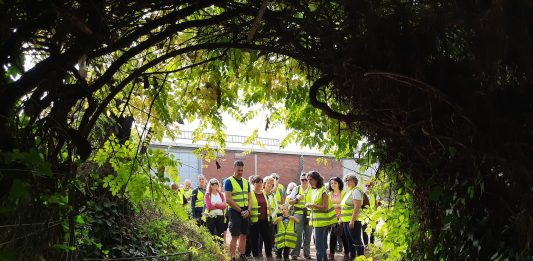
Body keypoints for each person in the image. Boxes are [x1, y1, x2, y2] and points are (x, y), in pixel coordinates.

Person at [305, 171, 336, 261]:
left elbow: (325, 208)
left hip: (322, 222)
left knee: (319, 245)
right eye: (308, 180)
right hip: (316, 221)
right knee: (321, 245)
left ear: (316, 180)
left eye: (310, 180)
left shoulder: (323, 190)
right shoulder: (313, 190)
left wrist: (313, 205)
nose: (309, 181)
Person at [224, 160, 252, 261]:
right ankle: (232, 257)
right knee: (235, 235)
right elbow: (228, 199)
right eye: (238, 170)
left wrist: (248, 210)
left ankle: (242, 254)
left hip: (246, 211)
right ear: (234, 168)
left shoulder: (246, 182)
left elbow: (250, 199)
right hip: (235, 211)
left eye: (242, 170)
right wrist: (241, 211)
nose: (240, 172)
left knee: (244, 235)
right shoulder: (228, 181)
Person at [288, 172, 313, 260]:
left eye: (306, 179)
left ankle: (307, 254)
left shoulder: (312, 189)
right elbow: (290, 202)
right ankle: (295, 253)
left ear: (309, 180)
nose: (304, 181)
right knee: (297, 235)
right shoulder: (296, 189)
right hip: (298, 213)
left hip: (309, 214)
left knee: (308, 235)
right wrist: (297, 199)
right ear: (300, 180)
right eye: (302, 180)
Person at [249, 175, 273, 260]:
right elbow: (249, 206)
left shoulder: (264, 193)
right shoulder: (250, 193)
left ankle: (269, 255)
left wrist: (271, 217)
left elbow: (268, 206)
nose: (259, 184)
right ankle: (256, 255)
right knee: (254, 238)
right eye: (257, 182)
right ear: (253, 183)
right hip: (254, 220)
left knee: (267, 238)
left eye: (260, 182)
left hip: (264, 219)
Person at [341, 174, 364, 259]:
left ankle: (361, 258)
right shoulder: (349, 191)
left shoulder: (356, 191)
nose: (347, 182)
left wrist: (352, 221)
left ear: (354, 181)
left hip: (353, 221)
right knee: (350, 242)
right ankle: (352, 258)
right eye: (346, 180)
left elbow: (357, 206)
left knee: (357, 241)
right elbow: (344, 207)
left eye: (349, 180)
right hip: (346, 220)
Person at [328, 177, 350, 261]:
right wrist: (337, 205)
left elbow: (344, 205)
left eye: (335, 183)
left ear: (339, 184)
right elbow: (328, 206)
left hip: (342, 217)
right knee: (332, 236)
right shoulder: (329, 194)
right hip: (332, 218)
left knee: (344, 236)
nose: (333, 185)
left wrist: (335, 205)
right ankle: (331, 254)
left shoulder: (343, 193)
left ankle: (347, 253)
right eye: (332, 183)